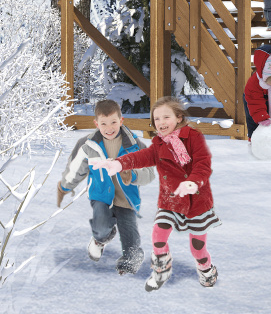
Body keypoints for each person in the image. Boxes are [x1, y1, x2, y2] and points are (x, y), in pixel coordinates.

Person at [92, 97, 219, 290]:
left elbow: (203, 163)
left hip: (196, 202)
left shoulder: (193, 137)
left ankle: (206, 268)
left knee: (197, 249)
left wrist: (193, 182)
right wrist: (119, 163)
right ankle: (161, 269)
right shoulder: (159, 144)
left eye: (166, 117)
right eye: (156, 119)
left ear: (178, 117)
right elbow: (142, 157)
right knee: (158, 235)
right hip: (170, 201)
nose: (161, 122)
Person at [57, 99, 155, 275]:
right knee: (101, 228)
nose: (109, 128)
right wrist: (65, 186)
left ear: (121, 121)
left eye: (113, 122)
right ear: (96, 123)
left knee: (131, 240)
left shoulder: (134, 145)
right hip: (101, 195)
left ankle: (130, 261)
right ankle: (100, 239)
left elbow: (149, 173)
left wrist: (132, 175)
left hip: (126, 198)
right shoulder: (88, 145)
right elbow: (75, 168)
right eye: (104, 123)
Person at [242, 44, 271, 137]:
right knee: (254, 123)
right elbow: (255, 103)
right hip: (253, 100)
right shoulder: (254, 83)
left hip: (268, 98)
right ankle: (254, 140)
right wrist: (262, 118)